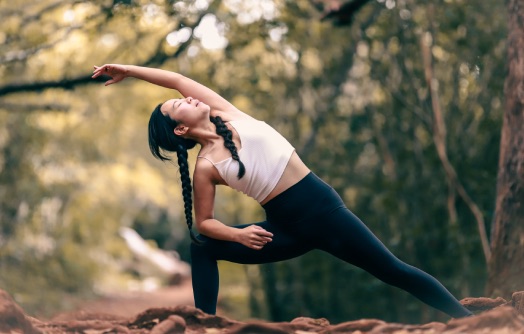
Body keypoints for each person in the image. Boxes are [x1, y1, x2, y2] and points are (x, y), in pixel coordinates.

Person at [92, 64, 473, 319]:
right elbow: (204, 223)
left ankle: (471, 322)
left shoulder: (226, 113)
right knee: (201, 248)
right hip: (285, 230)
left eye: (183, 97)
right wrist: (239, 233)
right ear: (179, 130)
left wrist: (128, 70)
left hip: (325, 212)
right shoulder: (206, 166)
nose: (188, 97)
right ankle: (202, 324)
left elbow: (174, 78)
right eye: (179, 106)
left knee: (393, 270)